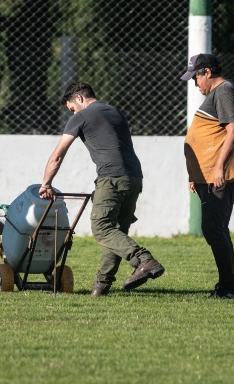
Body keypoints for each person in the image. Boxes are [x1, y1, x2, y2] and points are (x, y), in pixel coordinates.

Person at [39, 82, 164, 296]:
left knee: (102, 228)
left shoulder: (81, 116)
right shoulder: (116, 112)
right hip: (134, 177)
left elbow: (58, 155)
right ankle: (101, 286)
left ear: (79, 98)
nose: (73, 113)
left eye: (72, 108)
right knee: (117, 231)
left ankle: (144, 260)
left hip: (111, 177)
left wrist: (46, 183)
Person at [180, 53, 234, 299]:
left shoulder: (224, 91)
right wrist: (194, 173)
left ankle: (229, 287)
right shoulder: (218, 94)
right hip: (206, 176)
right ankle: (227, 286)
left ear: (207, 72)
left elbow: (232, 129)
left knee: (214, 228)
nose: (196, 84)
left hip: (218, 176)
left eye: (196, 78)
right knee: (215, 228)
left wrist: (219, 167)